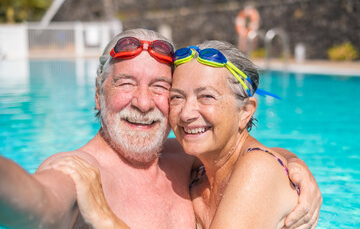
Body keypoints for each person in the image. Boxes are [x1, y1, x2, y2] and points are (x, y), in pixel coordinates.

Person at [0, 29, 321, 229]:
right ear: (97, 95)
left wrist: (102, 216)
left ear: (246, 111)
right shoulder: (81, 172)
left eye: (159, 87)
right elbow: (37, 203)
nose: (142, 102)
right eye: (126, 83)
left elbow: (253, 161)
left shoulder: (186, 162)